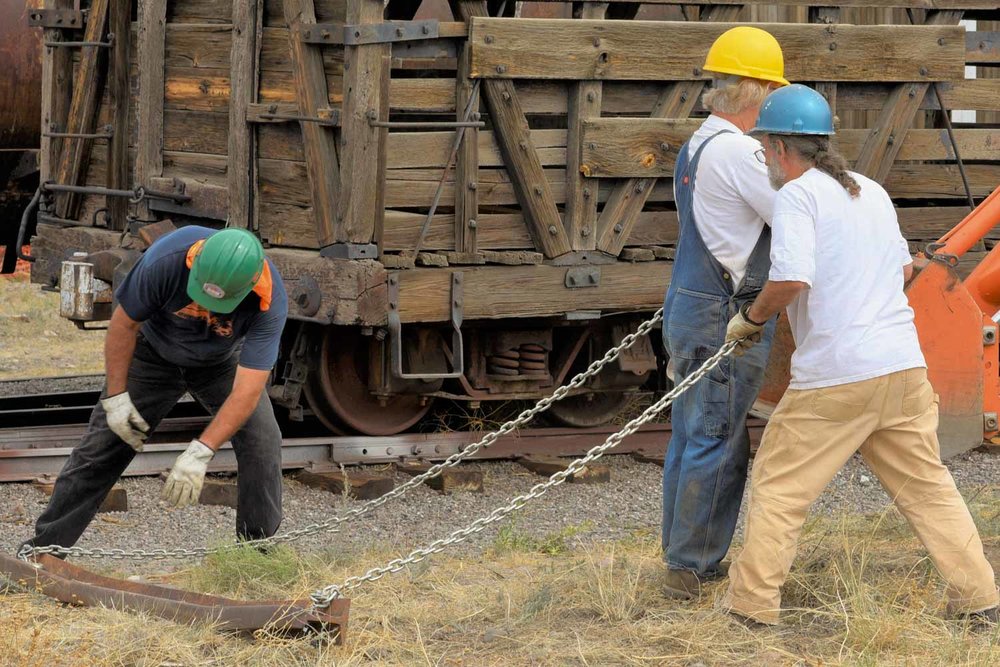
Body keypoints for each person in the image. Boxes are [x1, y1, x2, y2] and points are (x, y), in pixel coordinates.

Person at [721, 84, 999, 625]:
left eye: (763, 150)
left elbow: (792, 278)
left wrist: (751, 320)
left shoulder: (797, 196)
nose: (766, 161)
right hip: (902, 369)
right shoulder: (870, 190)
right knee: (928, 489)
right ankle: (980, 597)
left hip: (836, 375)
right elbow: (901, 272)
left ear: (780, 148)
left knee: (780, 488)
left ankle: (752, 609)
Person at [20, 225, 289, 556]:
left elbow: (247, 391)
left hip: (219, 363)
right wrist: (117, 400)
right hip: (152, 354)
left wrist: (202, 450)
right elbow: (123, 325)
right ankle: (43, 551)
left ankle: (256, 556)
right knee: (105, 443)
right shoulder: (166, 259)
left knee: (263, 439)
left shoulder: (269, 298)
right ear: (196, 261)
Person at [660, 26, 788, 598]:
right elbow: (792, 211)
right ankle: (693, 569)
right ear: (755, 91)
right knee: (717, 437)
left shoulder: (697, 144)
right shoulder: (741, 152)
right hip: (724, 314)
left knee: (690, 435)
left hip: (690, 304)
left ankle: (681, 557)